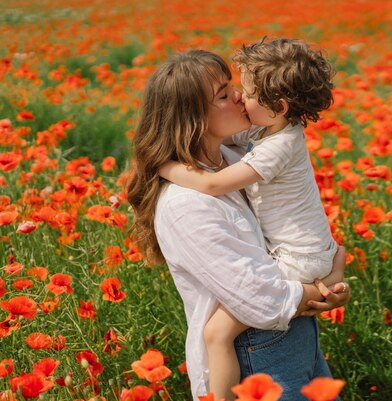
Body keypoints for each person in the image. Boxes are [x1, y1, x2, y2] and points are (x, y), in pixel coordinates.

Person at [126, 49, 349, 401]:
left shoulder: (232, 158)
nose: (238, 95)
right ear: (194, 118)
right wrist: (322, 288)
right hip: (259, 352)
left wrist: (326, 287)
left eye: (232, 85)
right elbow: (258, 299)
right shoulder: (185, 205)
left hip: (296, 337)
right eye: (222, 94)